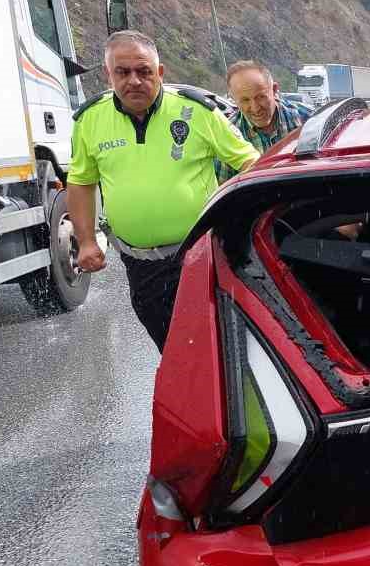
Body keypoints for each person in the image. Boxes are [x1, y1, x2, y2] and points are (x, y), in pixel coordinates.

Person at [66, 30, 259, 350]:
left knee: (216, 348)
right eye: (122, 72)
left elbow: (249, 162)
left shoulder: (197, 111)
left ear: (160, 72)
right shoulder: (90, 120)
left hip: (202, 256)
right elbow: (81, 181)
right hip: (141, 266)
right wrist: (85, 241)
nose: (134, 81)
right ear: (107, 74)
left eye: (144, 71)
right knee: (171, 349)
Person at [220, 60, 314, 180]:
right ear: (233, 99)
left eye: (260, 97)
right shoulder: (226, 136)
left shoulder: (309, 120)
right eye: (245, 100)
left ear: (274, 90)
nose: (255, 108)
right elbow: (223, 189)